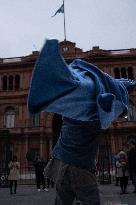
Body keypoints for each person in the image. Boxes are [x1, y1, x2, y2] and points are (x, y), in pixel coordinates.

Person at [28, 39, 136, 205]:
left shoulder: (70, 111)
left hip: (61, 163)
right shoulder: (94, 114)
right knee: (91, 201)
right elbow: (106, 118)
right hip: (81, 166)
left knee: (62, 200)